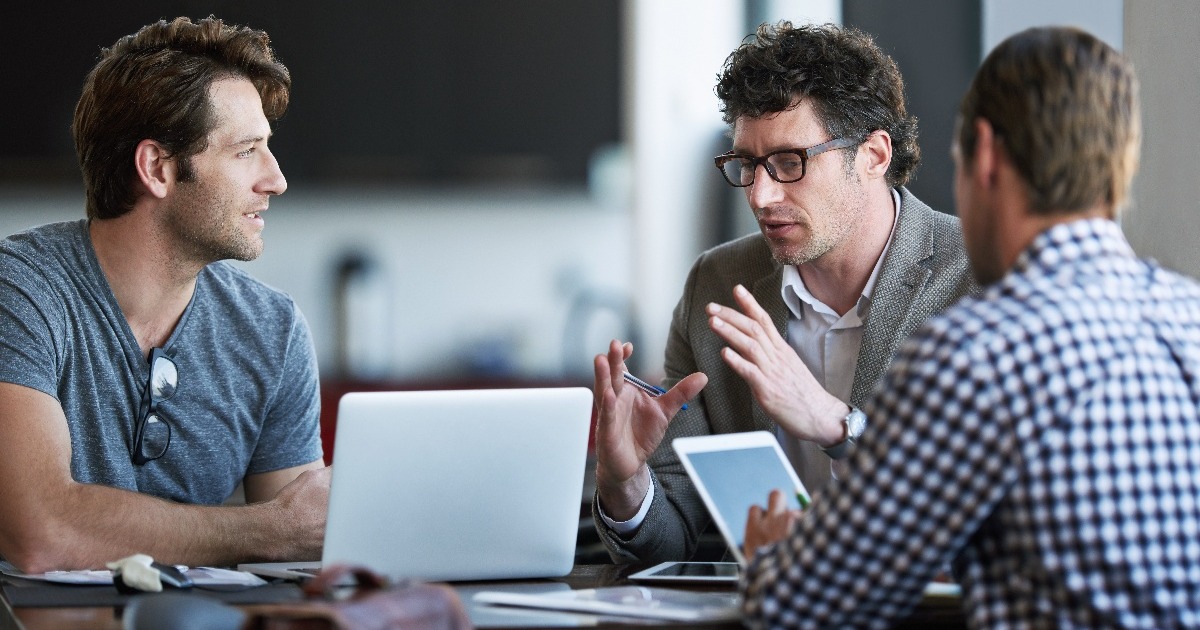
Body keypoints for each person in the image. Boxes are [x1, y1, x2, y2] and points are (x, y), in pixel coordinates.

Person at [739, 26, 1200, 627]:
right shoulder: (1190, 318)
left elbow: (800, 606)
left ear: (983, 154)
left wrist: (771, 556)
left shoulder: (973, 355)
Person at [592, 21, 975, 564]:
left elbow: (995, 508)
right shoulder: (717, 287)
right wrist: (624, 485)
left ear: (873, 155)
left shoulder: (978, 278)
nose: (761, 195)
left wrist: (838, 425)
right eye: (747, 164)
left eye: (790, 162)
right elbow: (673, 536)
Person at [0, 16, 329, 573]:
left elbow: (304, 539)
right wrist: (265, 530)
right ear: (157, 167)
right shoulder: (21, 292)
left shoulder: (273, 329)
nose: (276, 179)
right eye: (247, 151)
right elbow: (41, 532)